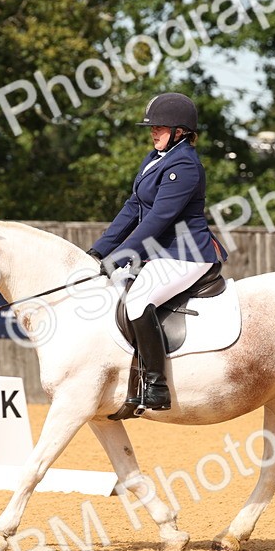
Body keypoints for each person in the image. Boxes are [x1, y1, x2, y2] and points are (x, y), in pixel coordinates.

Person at [87, 92, 228, 411]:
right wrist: (100, 250)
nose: (153, 132)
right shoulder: (155, 158)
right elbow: (133, 205)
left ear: (181, 131)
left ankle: (156, 385)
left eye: (160, 127)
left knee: (137, 301)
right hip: (159, 253)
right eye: (152, 127)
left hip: (185, 253)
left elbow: (158, 218)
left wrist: (120, 256)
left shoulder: (186, 165)